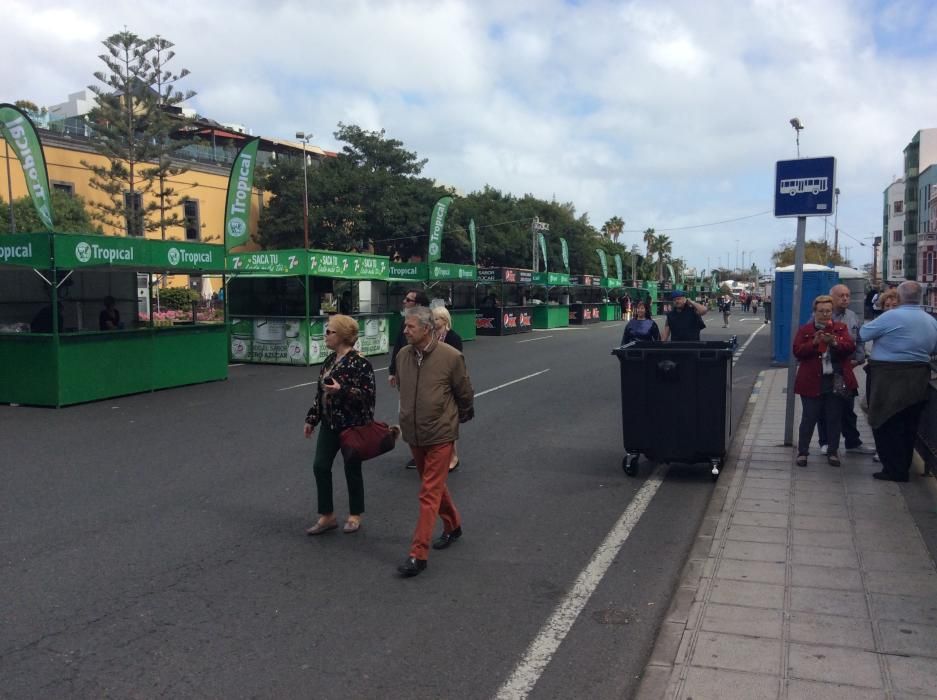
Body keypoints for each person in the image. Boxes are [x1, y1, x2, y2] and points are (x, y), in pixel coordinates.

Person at [395, 306, 474, 577]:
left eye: (410, 327)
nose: (404, 330)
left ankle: (418, 554)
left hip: (440, 432)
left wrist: (462, 414)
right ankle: (453, 525)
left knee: (428, 491)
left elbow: (464, 389)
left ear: (427, 329)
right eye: (405, 326)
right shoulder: (404, 355)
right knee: (434, 485)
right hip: (414, 433)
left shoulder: (451, 357)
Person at [303, 314, 377, 535]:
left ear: (343, 336)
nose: (325, 336)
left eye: (329, 332)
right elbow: (320, 394)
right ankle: (327, 515)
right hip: (329, 423)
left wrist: (341, 390)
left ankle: (355, 514)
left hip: (351, 425)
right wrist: (311, 418)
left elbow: (367, 395)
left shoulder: (360, 363)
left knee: (352, 469)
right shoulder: (328, 361)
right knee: (320, 466)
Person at [859, 281, 937, 482]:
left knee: (885, 422)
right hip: (919, 377)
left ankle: (892, 469)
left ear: (899, 297)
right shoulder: (930, 320)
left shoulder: (891, 316)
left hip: (889, 377)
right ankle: (903, 467)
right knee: (909, 426)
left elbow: (863, 334)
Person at [793, 295, 857, 468]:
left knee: (834, 418)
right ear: (814, 312)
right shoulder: (805, 330)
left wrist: (834, 342)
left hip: (834, 380)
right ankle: (803, 452)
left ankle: (833, 452)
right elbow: (797, 351)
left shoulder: (840, 328)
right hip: (811, 380)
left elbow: (850, 348)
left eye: (828, 311)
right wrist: (814, 343)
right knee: (809, 418)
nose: (825, 314)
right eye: (821, 311)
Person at [817, 284, 875, 457]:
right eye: (841, 295)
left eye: (848, 296)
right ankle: (825, 442)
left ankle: (852, 442)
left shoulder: (852, 317)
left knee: (848, 407)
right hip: (827, 369)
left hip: (845, 370)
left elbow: (859, 340)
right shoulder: (821, 316)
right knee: (825, 408)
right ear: (832, 297)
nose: (845, 299)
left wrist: (858, 359)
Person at [389, 289, 430, 470]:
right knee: (406, 413)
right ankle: (419, 451)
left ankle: (429, 451)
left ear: (418, 303)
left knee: (423, 414)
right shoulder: (404, 321)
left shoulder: (429, 322)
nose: (404, 302)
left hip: (426, 374)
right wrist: (392, 371)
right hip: (406, 373)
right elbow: (398, 346)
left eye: (408, 300)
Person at [432, 306, 464, 472]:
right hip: (432, 384)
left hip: (448, 385)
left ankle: (453, 457)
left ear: (444, 320)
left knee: (448, 422)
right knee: (436, 422)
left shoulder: (453, 338)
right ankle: (441, 456)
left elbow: (457, 363)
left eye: (436, 318)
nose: (433, 321)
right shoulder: (430, 336)